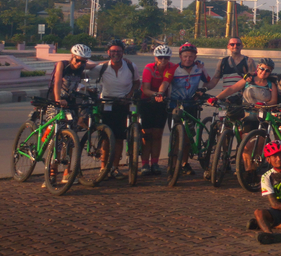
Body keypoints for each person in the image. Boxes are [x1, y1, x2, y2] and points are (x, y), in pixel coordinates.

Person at [91, 40, 140, 178]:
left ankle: (114, 167)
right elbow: (87, 77)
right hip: (106, 103)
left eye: (118, 51)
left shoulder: (131, 66)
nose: (116, 54)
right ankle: (103, 167)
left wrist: (129, 95)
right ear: (108, 53)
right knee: (106, 137)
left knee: (119, 138)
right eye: (113, 51)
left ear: (123, 53)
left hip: (122, 104)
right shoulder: (102, 67)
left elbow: (137, 82)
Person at [168, 42, 212, 176]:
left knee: (188, 136)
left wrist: (201, 90)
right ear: (180, 56)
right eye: (185, 56)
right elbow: (165, 83)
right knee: (176, 136)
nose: (188, 59)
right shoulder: (174, 69)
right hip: (175, 105)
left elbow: (208, 81)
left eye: (191, 56)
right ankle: (173, 164)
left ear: (195, 57)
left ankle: (184, 163)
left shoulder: (199, 68)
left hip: (192, 105)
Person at [139, 45, 176, 175]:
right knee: (147, 135)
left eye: (166, 57)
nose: (163, 60)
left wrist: (199, 63)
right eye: (160, 57)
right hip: (147, 102)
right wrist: (156, 95)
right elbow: (145, 89)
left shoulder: (171, 67)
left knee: (157, 134)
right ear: (155, 58)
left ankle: (155, 162)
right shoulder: (148, 68)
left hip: (161, 103)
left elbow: (166, 81)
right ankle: (144, 164)